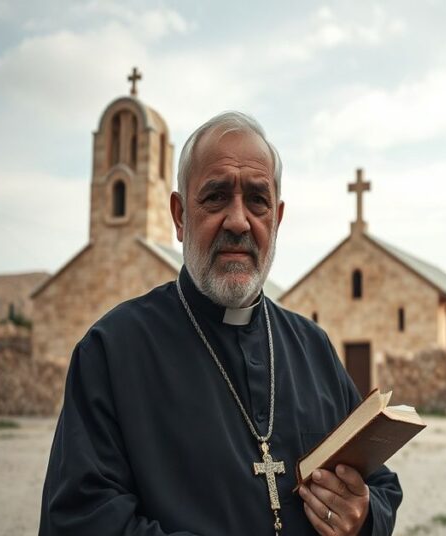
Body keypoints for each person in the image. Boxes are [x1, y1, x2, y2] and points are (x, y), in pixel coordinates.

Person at [39, 111, 402, 535]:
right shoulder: (112, 350)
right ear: (179, 215)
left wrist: (362, 514)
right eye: (215, 197)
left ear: (277, 219)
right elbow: (81, 518)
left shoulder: (312, 346)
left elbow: (378, 485)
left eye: (257, 200)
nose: (238, 220)